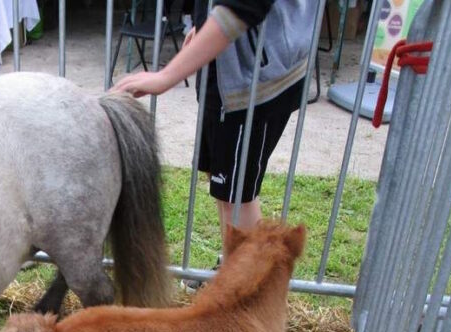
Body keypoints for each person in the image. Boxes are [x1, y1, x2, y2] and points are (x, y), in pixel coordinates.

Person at [113, 0, 316, 262]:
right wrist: (205, 27)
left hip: (253, 81)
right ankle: (233, 267)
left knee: (238, 197)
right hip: (229, 73)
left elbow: (241, 8)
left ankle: (249, 283)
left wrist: (166, 76)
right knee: (226, 191)